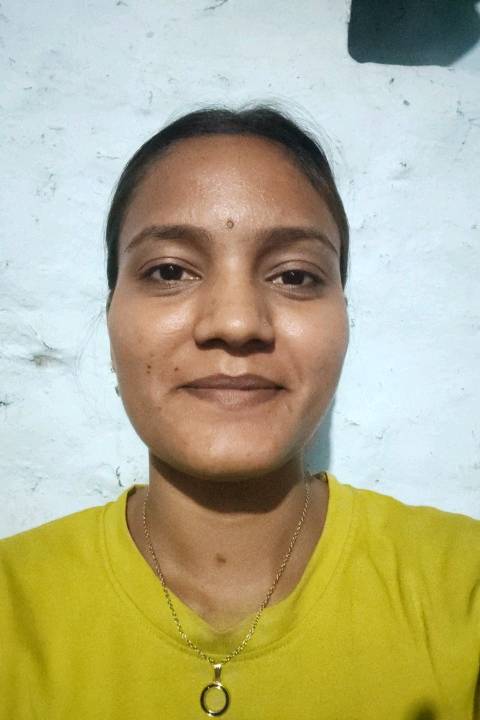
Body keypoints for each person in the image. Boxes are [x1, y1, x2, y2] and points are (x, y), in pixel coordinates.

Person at [1, 105, 479, 720]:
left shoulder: (462, 588)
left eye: (295, 276)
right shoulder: (13, 604)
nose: (235, 322)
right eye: (169, 270)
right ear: (111, 314)